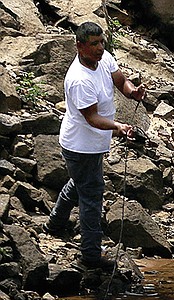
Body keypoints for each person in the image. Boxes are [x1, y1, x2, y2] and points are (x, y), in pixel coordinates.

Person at [45, 21, 146, 271]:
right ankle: (90, 256)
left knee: (80, 183)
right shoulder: (79, 80)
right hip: (80, 146)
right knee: (91, 195)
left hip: (95, 144)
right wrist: (118, 127)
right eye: (94, 44)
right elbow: (91, 118)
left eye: (102, 42)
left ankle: (54, 225)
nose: (100, 48)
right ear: (80, 46)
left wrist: (133, 92)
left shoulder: (105, 58)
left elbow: (120, 80)